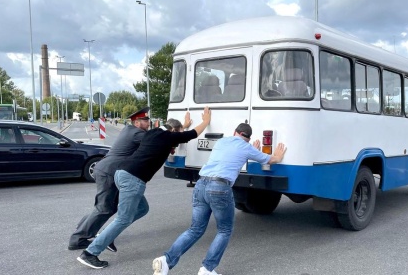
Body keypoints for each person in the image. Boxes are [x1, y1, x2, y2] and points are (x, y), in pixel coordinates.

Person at [76, 107, 211, 269]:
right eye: (178, 131)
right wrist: (205, 121)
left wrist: (184, 125)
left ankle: (107, 235)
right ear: (174, 130)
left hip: (122, 174)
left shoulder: (153, 133)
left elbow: (178, 136)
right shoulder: (167, 137)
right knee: (123, 219)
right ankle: (90, 253)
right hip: (133, 179)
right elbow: (191, 135)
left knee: (142, 209)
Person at [152, 123, 287, 275]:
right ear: (248, 138)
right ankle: (207, 269)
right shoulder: (246, 147)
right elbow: (270, 160)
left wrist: (251, 150)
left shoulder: (222, 142)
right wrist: (277, 155)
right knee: (224, 230)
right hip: (220, 187)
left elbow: (233, 154)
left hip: (201, 184)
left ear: (235, 132)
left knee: (195, 229)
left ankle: (166, 260)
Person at [68, 107, 153, 251]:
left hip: (113, 172)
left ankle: (98, 233)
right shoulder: (136, 133)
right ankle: (78, 239)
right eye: (145, 120)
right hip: (109, 172)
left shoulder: (128, 130)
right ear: (137, 122)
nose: (148, 122)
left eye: (148, 119)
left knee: (135, 207)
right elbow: (156, 140)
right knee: (104, 208)